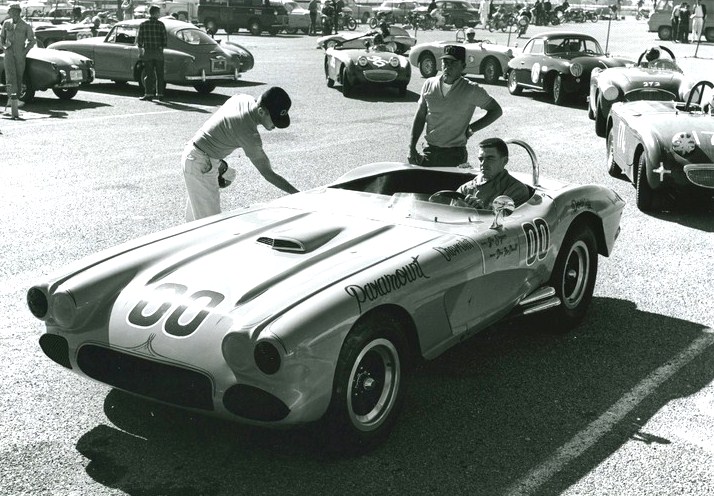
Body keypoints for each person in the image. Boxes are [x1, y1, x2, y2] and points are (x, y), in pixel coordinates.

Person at [182, 87, 300, 221]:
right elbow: (268, 173)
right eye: (274, 119)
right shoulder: (248, 133)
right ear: (261, 112)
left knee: (193, 226)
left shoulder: (243, 98)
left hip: (196, 155)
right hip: (201, 164)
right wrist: (298, 195)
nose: (275, 126)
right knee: (210, 227)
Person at [408, 45, 503, 167]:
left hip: (455, 154)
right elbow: (420, 116)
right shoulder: (429, 84)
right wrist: (412, 147)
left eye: (453, 63)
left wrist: (471, 128)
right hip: (429, 151)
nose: (448, 66)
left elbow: (496, 110)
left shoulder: (471, 89)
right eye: (445, 62)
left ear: (463, 66)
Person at [456, 138, 530, 209]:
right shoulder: (465, 189)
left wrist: (481, 211)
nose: (483, 164)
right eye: (481, 159)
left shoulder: (516, 190)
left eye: (490, 158)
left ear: (504, 161)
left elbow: (507, 220)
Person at [1, 3, 35, 120]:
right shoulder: (6, 23)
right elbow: (1, 37)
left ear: (18, 12)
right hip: (8, 54)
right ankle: (11, 100)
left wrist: (24, 51)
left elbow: (32, 40)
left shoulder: (25, 25)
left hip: (20, 55)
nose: (11, 13)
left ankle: (17, 99)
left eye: (13, 11)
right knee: (9, 77)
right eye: (10, 11)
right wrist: (4, 46)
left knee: (19, 76)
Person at [137, 5, 167, 101]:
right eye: (159, 12)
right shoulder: (161, 25)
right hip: (158, 52)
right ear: (156, 13)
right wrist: (161, 48)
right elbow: (164, 41)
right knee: (160, 74)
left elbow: (139, 40)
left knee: (149, 74)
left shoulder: (143, 24)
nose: (159, 14)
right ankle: (160, 94)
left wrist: (141, 50)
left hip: (148, 52)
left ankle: (148, 94)